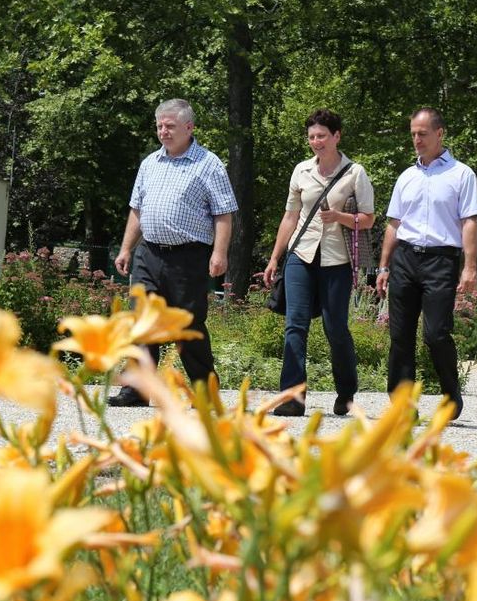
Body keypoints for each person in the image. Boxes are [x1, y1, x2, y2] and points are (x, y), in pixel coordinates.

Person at [109, 99, 238, 406]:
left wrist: (219, 254)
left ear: (189, 127)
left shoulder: (208, 164)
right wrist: (127, 247)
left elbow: (224, 214)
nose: (163, 132)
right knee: (140, 319)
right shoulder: (150, 163)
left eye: (170, 126)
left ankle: (205, 391)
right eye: (159, 126)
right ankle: (138, 389)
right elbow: (137, 210)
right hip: (148, 253)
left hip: (188, 257)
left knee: (187, 324)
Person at [262, 109, 375, 417]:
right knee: (294, 325)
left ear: (337, 136)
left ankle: (346, 390)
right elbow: (290, 217)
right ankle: (292, 398)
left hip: (337, 260)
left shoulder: (355, 173)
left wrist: (339, 217)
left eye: (322, 136)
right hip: (300, 256)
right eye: (312, 136)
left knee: (334, 327)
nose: (316, 142)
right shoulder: (301, 171)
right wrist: (275, 258)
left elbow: (368, 219)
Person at [375, 108, 477, 417]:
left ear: (439, 133)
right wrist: (383, 266)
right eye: (413, 134)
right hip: (405, 257)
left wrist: (470, 266)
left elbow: (469, 222)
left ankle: (451, 397)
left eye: (422, 134)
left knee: (435, 334)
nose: (416, 140)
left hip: (441, 260)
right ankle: (402, 405)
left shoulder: (461, 174)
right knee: (400, 334)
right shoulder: (407, 176)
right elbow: (394, 224)